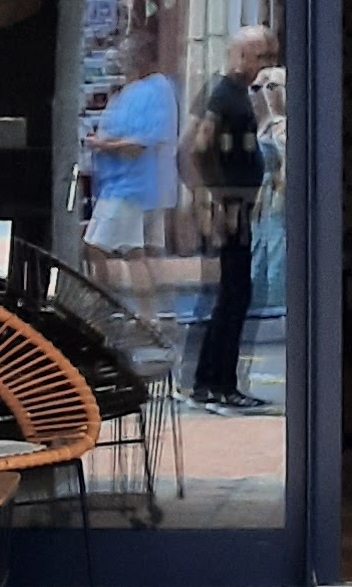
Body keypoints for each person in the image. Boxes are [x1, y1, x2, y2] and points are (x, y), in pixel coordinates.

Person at [189, 27, 278, 404]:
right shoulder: (225, 94)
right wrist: (220, 198)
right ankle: (219, 383)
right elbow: (200, 147)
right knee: (234, 294)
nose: (266, 65)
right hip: (232, 206)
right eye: (261, 57)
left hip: (238, 203)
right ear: (242, 55)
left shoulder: (236, 94)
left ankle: (212, 381)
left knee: (235, 294)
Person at [83, 31, 180, 289]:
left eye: (126, 55)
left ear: (141, 57)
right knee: (133, 252)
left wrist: (104, 145)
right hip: (123, 185)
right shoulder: (136, 90)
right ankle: (146, 307)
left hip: (132, 187)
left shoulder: (155, 91)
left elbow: (140, 143)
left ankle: (102, 300)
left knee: (100, 247)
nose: (121, 61)